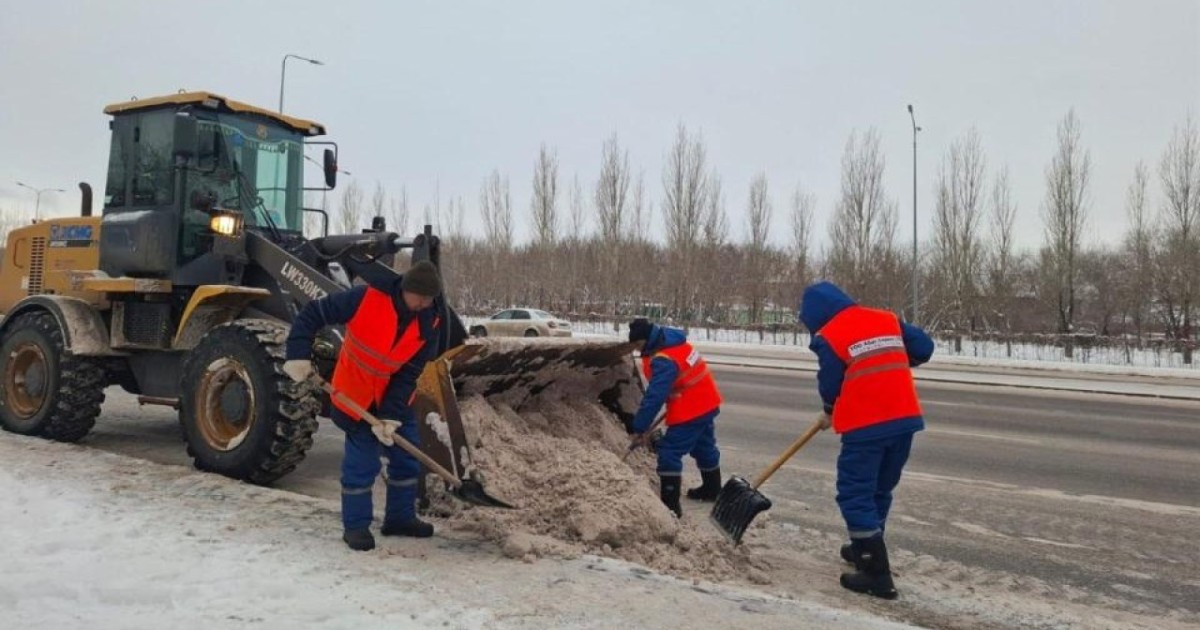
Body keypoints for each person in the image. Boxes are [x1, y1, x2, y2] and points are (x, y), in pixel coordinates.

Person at [282, 260, 444, 551]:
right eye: (419, 297)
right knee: (362, 464)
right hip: (354, 394)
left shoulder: (429, 321)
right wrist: (298, 354)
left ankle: (400, 519)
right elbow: (312, 313)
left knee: (407, 460)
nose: (423, 304)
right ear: (405, 289)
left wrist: (392, 416)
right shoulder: (364, 298)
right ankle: (356, 526)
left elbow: (410, 372)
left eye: (429, 299)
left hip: (395, 397)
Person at [798, 281, 934, 599]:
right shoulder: (884, 318)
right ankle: (867, 546)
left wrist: (830, 408)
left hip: (866, 427)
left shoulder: (830, 336)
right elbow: (924, 349)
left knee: (855, 494)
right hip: (904, 420)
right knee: (879, 489)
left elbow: (830, 383)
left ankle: (876, 574)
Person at [626, 318, 724, 517]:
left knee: (669, 452)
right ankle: (712, 489)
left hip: (691, 408)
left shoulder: (663, 359)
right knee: (703, 446)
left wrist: (639, 426)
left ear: (647, 339)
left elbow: (654, 397)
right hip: (706, 401)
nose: (637, 350)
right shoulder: (674, 341)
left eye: (638, 345)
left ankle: (670, 507)